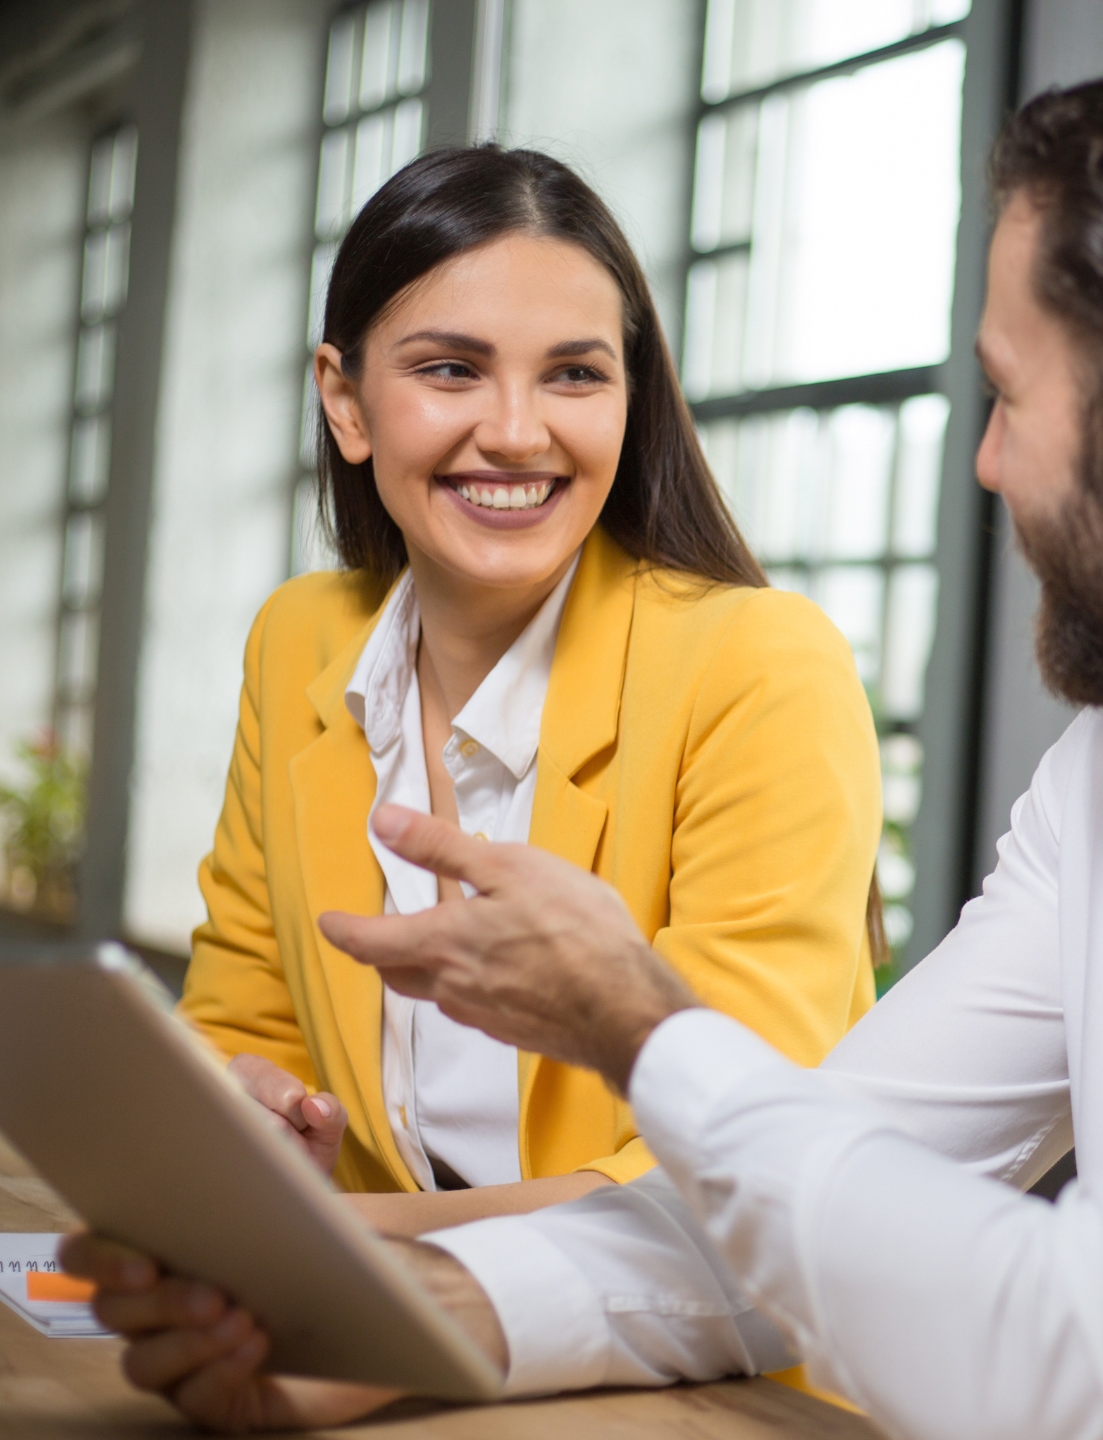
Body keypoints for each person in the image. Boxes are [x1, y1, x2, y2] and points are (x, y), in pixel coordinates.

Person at [67, 58, 1103, 1439]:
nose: (987, 468)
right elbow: (795, 1210)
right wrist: (416, 1331)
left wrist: (639, 1023)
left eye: (1007, 398)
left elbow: (1081, 1363)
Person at [171, 144, 883, 1238]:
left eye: (575, 373)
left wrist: (343, 1240)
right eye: (450, 369)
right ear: (346, 403)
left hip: (707, 1380)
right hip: (390, 1338)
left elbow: (735, 1161)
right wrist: (257, 1110)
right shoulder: (298, 643)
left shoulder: (762, 668)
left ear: (629, 401)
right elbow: (240, 1012)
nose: (515, 430)